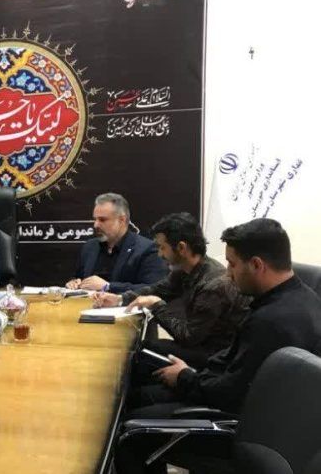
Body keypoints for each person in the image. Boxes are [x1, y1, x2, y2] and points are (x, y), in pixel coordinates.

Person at [116, 218, 321, 474]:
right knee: (140, 394)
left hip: (241, 426)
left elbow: (229, 395)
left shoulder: (271, 322)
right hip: (273, 419)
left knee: (129, 434)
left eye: (232, 264)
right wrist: (190, 374)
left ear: (257, 265)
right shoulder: (305, 297)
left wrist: (185, 377)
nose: (228, 273)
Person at [94, 213, 250, 369]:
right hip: (200, 346)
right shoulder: (184, 270)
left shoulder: (213, 286)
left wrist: (157, 306)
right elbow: (157, 289)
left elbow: (188, 337)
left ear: (181, 248)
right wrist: (120, 299)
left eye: (162, 248)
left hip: (217, 358)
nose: (160, 254)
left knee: (144, 351)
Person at [66, 193, 166, 293]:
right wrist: (75, 282)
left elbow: (154, 288)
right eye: (95, 219)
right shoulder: (90, 246)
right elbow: (79, 276)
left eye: (102, 220)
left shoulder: (146, 249)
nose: (96, 225)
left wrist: (108, 286)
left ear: (122, 220)